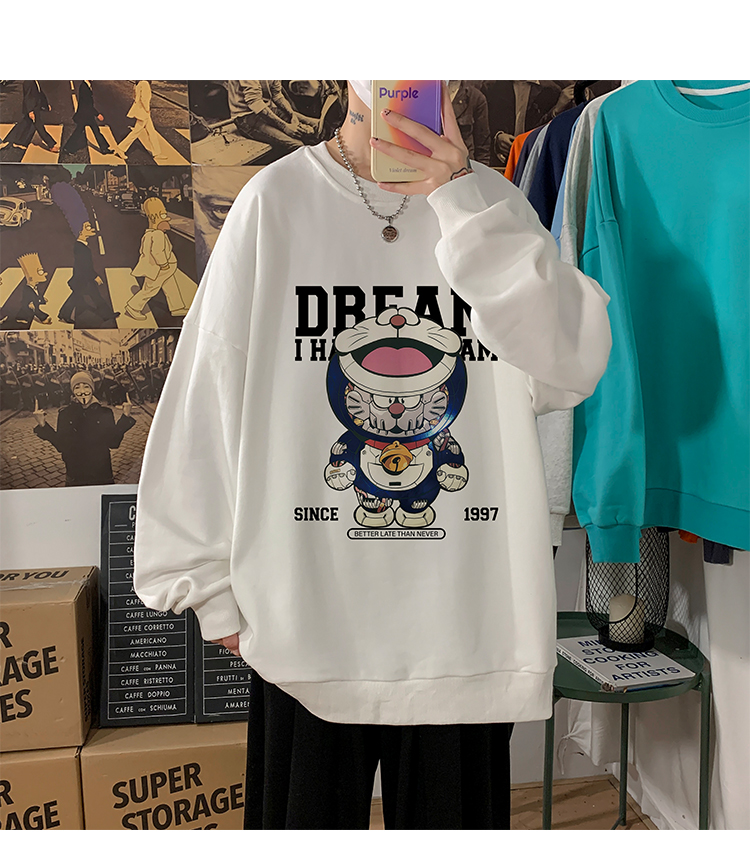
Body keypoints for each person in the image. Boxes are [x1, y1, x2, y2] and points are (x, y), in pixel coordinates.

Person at [133, 81, 612, 829]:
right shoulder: (276, 202)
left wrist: (459, 198)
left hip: (463, 627)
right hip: (306, 620)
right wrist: (203, 580)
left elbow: (571, 364)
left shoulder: (491, 204)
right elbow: (208, 389)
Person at [32, 370, 135, 486]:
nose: (82, 391)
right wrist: (43, 425)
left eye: (86, 386)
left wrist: (125, 417)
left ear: (92, 389)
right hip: (75, 475)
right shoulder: (65, 414)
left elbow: (113, 442)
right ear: (72, 391)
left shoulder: (105, 412)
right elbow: (61, 445)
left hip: (101, 474)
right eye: (77, 387)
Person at [50, 182, 120, 328]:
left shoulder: (82, 246)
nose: (91, 228)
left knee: (93, 296)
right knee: (77, 297)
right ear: (81, 232)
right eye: (88, 227)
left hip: (83, 279)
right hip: (83, 279)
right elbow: (84, 266)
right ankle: (64, 314)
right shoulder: (81, 248)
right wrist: (95, 276)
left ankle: (106, 314)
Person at [125, 197, 189, 320]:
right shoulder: (158, 234)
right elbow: (157, 252)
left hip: (162, 267)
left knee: (170, 286)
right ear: (156, 216)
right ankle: (133, 307)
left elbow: (142, 250)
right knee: (150, 289)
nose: (167, 218)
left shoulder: (148, 234)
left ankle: (177, 307)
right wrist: (164, 264)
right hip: (160, 268)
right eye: (163, 214)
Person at [226, 80, 321, 156]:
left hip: (268, 108)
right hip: (246, 117)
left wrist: (293, 116)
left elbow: (277, 95)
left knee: (317, 126)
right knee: (298, 145)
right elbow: (255, 102)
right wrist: (285, 127)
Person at [0, 80, 59, 154]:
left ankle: (16, 141)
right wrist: (30, 111)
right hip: (33, 109)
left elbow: (40, 94)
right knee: (39, 127)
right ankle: (51, 145)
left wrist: (46, 105)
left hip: (35, 107)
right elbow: (28, 97)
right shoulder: (28, 82)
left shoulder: (34, 81)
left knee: (25, 124)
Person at [61, 80, 114, 156]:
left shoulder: (86, 85)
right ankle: (68, 148)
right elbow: (87, 104)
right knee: (79, 132)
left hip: (87, 114)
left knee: (95, 131)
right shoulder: (84, 87)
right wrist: (97, 114)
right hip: (85, 115)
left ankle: (104, 148)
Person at [0, 253, 52, 329]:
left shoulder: (33, 287)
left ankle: (21, 317)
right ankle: (44, 318)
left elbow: (37, 294)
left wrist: (42, 299)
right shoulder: (28, 289)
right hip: (30, 303)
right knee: (35, 310)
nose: (45, 274)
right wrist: (30, 303)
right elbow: (27, 297)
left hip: (31, 303)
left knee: (26, 310)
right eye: (40, 272)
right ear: (31, 278)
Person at [114, 80, 161, 160]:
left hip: (141, 111)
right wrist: (147, 110)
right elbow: (144, 99)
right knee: (136, 132)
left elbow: (135, 97)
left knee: (151, 131)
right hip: (143, 112)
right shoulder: (145, 83)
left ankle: (157, 153)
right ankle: (121, 148)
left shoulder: (138, 83)